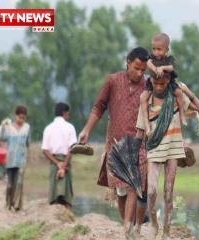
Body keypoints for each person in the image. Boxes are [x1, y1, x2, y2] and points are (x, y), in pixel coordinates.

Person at [78, 47, 149, 238]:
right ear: (128, 62)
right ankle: (128, 223)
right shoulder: (113, 81)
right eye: (136, 68)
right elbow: (99, 106)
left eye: (143, 70)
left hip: (138, 144)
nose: (140, 73)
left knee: (134, 184)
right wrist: (86, 130)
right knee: (121, 190)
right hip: (115, 144)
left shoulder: (149, 85)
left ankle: (128, 227)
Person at [136, 66, 199, 240]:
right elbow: (140, 131)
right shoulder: (146, 102)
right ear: (150, 80)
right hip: (154, 149)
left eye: (163, 82)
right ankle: (154, 224)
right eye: (155, 82)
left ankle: (166, 230)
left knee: (168, 192)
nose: (159, 86)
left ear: (169, 82)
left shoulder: (176, 99)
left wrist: (186, 90)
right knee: (151, 191)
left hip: (172, 149)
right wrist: (134, 152)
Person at [140, 33, 186, 137]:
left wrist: (162, 68)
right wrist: (155, 69)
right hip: (153, 82)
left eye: (159, 49)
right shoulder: (151, 58)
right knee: (143, 98)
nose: (156, 52)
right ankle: (147, 126)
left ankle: (182, 114)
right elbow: (149, 63)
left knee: (179, 92)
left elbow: (171, 68)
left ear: (166, 50)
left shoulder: (169, 59)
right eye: (154, 49)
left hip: (167, 82)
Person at [0, 105, 30, 211]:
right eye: (20, 117)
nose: (21, 120)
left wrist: (28, 157)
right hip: (10, 159)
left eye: (23, 118)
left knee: (19, 183)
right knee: (9, 184)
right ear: (15, 116)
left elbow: (28, 143)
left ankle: (16, 206)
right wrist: (2, 126)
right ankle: (8, 203)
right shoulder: (8, 127)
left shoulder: (26, 128)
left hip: (21, 159)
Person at [42, 102, 77, 208]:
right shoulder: (70, 127)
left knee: (54, 193)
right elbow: (72, 148)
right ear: (64, 113)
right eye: (68, 113)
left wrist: (58, 164)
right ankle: (68, 217)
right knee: (67, 195)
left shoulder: (48, 128)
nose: (68, 116)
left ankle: (54, 217)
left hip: (54, 163)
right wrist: (64, 165)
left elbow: (45, 150)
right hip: (66, 162)